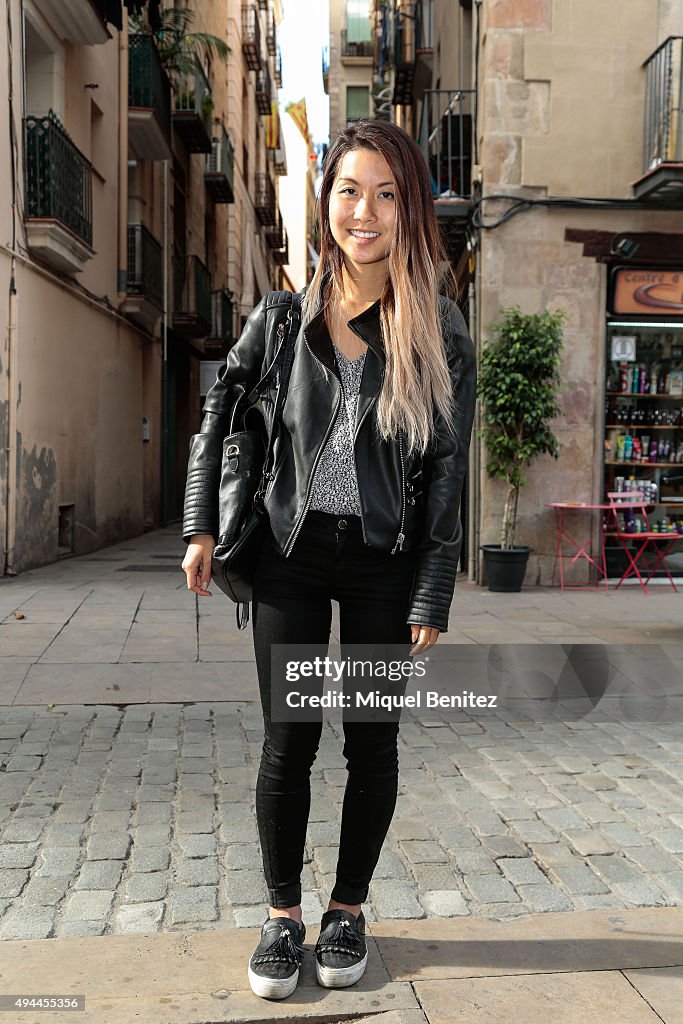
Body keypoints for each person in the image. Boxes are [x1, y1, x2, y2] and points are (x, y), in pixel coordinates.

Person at [181, 118, 477, 1001]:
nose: (366, 211)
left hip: (385, 564)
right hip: (290, 557)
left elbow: (444, 469)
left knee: (372, 746)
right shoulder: (280, 319)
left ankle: (346, 909)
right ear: (327, 205)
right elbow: (218, 419)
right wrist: (201, 526)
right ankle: (282, 917)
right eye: (350, 190)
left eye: (387, 194)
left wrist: (432, 585)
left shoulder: (440, 330)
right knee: (289, 743)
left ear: (410, 210)